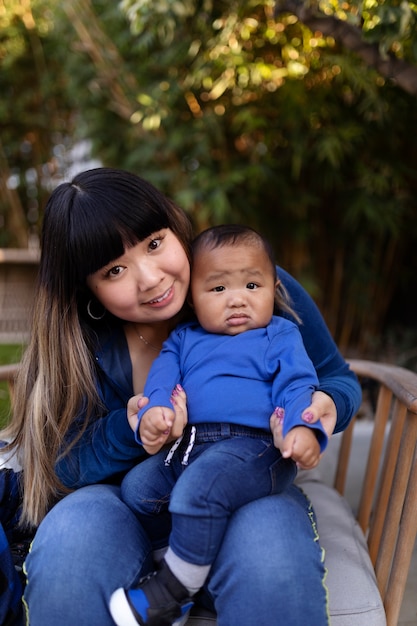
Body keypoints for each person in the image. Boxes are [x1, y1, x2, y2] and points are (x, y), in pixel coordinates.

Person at [0, 167, 361, 626]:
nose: (150, 278)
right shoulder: (78, 342)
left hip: (245, 487)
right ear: (85, 288)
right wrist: (132, 429)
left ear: (173, 223)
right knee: (72, 549)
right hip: (121, 504)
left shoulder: (242, 279)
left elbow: (337, 377)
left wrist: (326, 404)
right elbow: (59, 465)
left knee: (272, 560)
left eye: (154, 243)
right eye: (114, 270)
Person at [110, 224, 328, 626]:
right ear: (192, 297)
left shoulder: (278, 335)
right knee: (138, 489)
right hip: (191, 445)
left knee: (201, 489)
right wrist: (156, 412)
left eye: (251, 285)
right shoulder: (184, 338)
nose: (237, 300)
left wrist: (304, 429)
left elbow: (298, 385)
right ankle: (184, 567)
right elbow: (162, 380)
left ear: (273, 288)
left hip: (255, 448)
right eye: (218, 289)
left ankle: (170, 593)